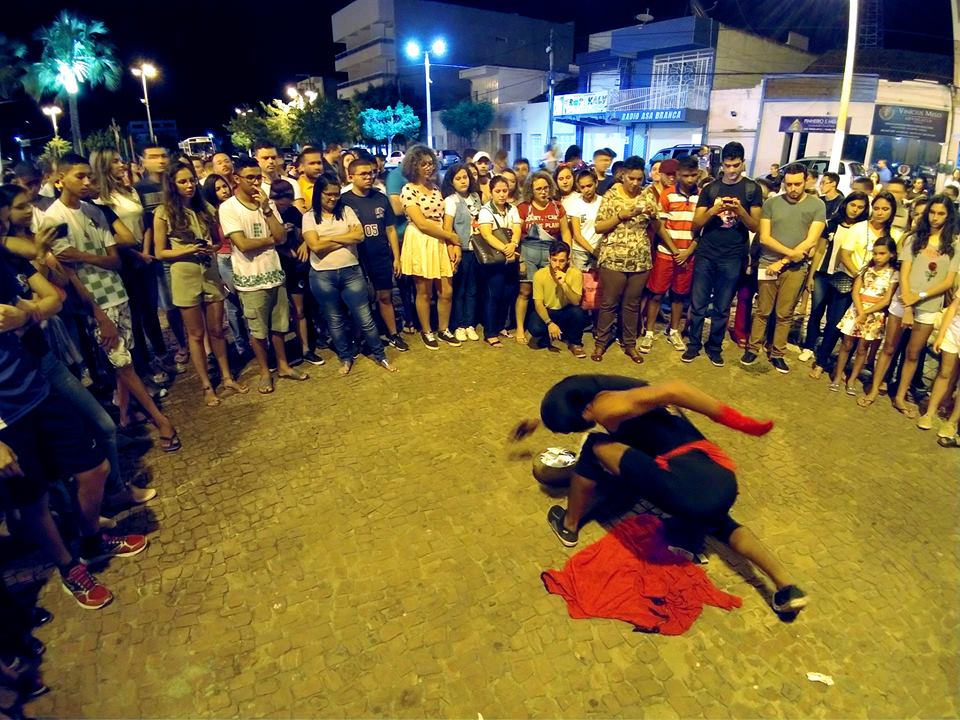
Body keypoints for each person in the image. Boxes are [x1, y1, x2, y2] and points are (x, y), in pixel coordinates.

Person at [512, 376, 808, 614]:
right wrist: (541, 421)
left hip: (681, 487)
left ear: (584, 409)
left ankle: (569, 525)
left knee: (593, 446)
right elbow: (577, 405)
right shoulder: (616, 388)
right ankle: (786, 586)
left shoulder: (606, 406)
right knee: (719, 521)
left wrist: (742, 423)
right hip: (718, 479)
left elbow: (676, 389)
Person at [0, 249, 149, 610]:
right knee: (35, 499)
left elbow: (50, 300)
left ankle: (91, 539)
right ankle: (70, 568)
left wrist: (27, 313)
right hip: (6, 418)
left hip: (36, 387)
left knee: (95, 468)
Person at [0, 185, 155, 508]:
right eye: (19, 207)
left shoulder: (22, 252)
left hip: (46, 354)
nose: (28, 212)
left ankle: (110, 493)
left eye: (28, 205)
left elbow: (55, 295)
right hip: (22, 371)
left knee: (101, 425)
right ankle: (88, 509)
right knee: (48, 464)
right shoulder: (10, 253)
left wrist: (27, 311)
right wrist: (37, 296)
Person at [44, 153, 181, 451]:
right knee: (123, 364)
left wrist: (83, 256)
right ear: (60, 179)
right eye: (79, 176)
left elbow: (115, 259)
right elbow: (71, 274)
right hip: (94, 302)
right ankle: (161, 422)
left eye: (89, 176)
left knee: (124, 359)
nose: (86, 182)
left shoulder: (93, 211)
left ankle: (125, 416)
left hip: (117, 292)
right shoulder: (53, 218)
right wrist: (98, 313)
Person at [154, 163, 248, 406]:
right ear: (172, 185)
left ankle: (227, 377)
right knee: (196, 335)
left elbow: (217, 241)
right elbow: (160, 252)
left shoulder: (205, 208)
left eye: (191, 180)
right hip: (184, 275)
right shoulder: (164, 212)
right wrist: (188, 250)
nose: (189, 186)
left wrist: (211, 248)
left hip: (209, 272)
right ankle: (206, 385)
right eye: (182, 182)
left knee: (217, 329)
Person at [860, 196, 959, 413]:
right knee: (888, 347)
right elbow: (904, 273)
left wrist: (919, 296)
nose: (935, 217)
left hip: (929, 305)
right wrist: (907, 303)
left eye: (941, 213)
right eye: (932, 212)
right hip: (902, 301)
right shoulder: (914, 239)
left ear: (949, 216)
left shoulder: (954, 245)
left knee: (913, 354)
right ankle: (874, 389)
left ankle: (900, 396)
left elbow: (947, 281)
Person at [218, 157, 308, 394]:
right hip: (250, 278)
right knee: (258, 331)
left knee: (279, 325)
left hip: (274, 273)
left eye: (258, 177)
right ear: (236, 179)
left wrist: (267, 210)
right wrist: (270, 240)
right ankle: (264, 371)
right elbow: (242, 244)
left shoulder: (266, 204)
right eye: (250, 178)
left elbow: (282, 236)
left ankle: (283, 365)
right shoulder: (228, 208)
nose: (256, 182)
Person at [302, 173, 396, 375]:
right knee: (335, 320)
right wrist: (344, 238)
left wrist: (328, 239)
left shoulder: (346, 211)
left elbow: (359, 236)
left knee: (365, 317)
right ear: (319, 193)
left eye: (336, 194)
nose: (333, 198)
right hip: (322, 275)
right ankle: (345, 357)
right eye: (328, 194)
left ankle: (380, 355)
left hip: (351, 271)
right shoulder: (309, 217)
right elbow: (315, 246)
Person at [90, 149, 168, 383]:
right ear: (104, 166)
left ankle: (161, 355)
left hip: (144, 255)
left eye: (120, 160)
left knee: (150, 311)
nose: (122, 164)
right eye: (115, 161)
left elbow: (144, 223)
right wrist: (135, 254)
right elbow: (109, 237)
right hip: (125, 261)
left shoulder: (130, 190)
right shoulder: (101, 199)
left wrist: (145, 251)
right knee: (134, 315)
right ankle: (143, 363)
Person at [741, 163, 826, 374]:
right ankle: (753, 347)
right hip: (768, 262)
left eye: (797, 184)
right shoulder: (772, 203)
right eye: (788, 184)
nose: (793, 188)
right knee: (762, 309)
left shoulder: (817, 205)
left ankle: (778, 353)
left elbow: (811, 240)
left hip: (794, 267)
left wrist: (783, 261)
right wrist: (790, 254)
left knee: (784, 313)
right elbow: (765, 237)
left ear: (806, 181)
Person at [684, 142, 763, 366]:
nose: (731, 170)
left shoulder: (752, 189)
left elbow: (755, 226)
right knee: (698, 304)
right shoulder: (711, 189)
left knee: (722, 306)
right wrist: (714, 210)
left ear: (743, 163)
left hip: (733, 255)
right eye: (727, 165)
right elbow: (696, 224)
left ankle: (715, 347)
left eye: (736, 165)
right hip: (707, 252)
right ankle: (693, 345)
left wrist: (740, 211)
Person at [591, 156, 660, 363]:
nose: (635, 183)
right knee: (609, 303)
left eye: (639, 179)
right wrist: (620, 216)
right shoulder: (611, 195)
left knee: (632, 304)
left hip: (640, 259)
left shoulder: (647, 195)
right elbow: (599, 227)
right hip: (613, 257)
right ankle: (601, 343)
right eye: (631, 178)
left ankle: (629, 344)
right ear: (623, 176)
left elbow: (657, 227)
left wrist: (653, 216)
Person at [398, 145, 462, 349]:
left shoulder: (435, 187)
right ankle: (427, 331)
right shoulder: (408, 190)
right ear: (413, 165)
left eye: (431, 163)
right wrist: (451, 237)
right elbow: (421, 223)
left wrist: (449, 241)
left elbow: (443, 217)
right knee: (423, 291)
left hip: (439, 238)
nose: (429, 167)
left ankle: (443, 329)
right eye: (424, 164)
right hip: (421, 239)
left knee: (446, 290)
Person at [340, 156, 407, 351]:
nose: (368, 177)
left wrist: (396, 258)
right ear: (351, 177)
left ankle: (393, 334)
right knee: (359, 301)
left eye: (371, 173)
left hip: (381, 257)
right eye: (363, 174)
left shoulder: (381, 198)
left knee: (385, 296)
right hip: (356, 259)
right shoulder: (344, 201)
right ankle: (358, 339)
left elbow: (390, 229)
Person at [802, 192, 871, 371]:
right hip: (823, 273)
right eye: (852, 205)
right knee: (816, 310)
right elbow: (820, 250)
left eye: (860, 207)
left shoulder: (863, 229)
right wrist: (811, 275)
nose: (855, 210)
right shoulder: (831, 224)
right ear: (845, 204)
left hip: (844, 277)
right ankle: (809, 345)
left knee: (834, 318)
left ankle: (824, 353)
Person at [135, 144, 188, 368]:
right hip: (159, 255)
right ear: (143, 161)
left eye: (164, 155)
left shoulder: (177, 182)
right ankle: (182, 344)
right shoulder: (139, 189)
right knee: (171, 305)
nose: (160, 160)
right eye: (154, 156)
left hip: (184, 247)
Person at [642, 155, 700, 354]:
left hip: (688, 255)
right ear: (678, 175)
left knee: (679, 295)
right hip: (666, 253)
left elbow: (702, 228)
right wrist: (675, 250)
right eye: (685, 175)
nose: (690, 179)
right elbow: (660, 226)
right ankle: (649, 332)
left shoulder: (702, 196)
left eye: (693, 175)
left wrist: (688, 251)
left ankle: (674, 331)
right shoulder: (667, 195)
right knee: (656, 293)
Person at [829, 237, 898, 395]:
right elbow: (855, 291)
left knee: (862, 348)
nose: (877, 257)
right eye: (875, 253)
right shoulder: (865, 269)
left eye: (882, 253)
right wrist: (860, 311)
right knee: (846, 344)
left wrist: (866, 313)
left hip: (874, 313)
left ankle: (852, 379)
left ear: (892, 254)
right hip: (857, 309)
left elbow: (886, 299)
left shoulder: (894, 274)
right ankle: (837, 376)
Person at [516, 171, 572, 345]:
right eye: (539, 189)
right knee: (525, 291)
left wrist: (567, 254)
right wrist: (520, 259)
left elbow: (565, 232)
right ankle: (520, 328)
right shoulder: (523, 208)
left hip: (551, 253)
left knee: (550, 292)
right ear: (531, 190)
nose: (543, 191)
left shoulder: (557, 207)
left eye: (546, 188)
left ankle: (547, 326)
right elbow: (516, 235)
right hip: (529, 252)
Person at [271, 179, 323, 365]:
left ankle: (305, 348)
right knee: (277, 314)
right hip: (275, 267)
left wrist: (304, 244)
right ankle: (277, 355)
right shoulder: (269, 214)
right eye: (279, 198)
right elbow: (270, 241)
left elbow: (307, 232)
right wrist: (285, 251)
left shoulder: (293, 212)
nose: (283, 202)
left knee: (300, 310)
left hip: (295, 268)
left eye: (287, 197)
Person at [201, 174, 249, 361]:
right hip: (225, 258)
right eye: (218, 189)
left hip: (242, 255)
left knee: (247, 299)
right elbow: (213, 241)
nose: (223, 191)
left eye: (224, 186)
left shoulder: (237, 207)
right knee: (233, 303)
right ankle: (241, 344)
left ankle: (257, 339)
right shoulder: (212, 214)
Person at [476, 176, 521, 347]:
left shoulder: (512, 209)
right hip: (495, 259)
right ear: (491, 192)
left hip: (510, 256)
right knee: (493, 295)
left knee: (507, 293)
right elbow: (486, 235)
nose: (502, 194)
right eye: (498, 191)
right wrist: (505, 249)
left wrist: (513, 244)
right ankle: (490, 332)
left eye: (504, 191)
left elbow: (517, 228)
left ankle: (500, 326)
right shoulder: (486, 211)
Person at [440, 163, 482, 342]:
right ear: (451, 182)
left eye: (465, 177)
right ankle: (458, 325)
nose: (463, 181)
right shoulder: (451, 200)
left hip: (477, 251)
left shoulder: (476, 196)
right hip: (461, 250)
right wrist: (452, 247)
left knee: (473, 289)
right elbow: (447, 228)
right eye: (458, 178)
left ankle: (470, 324)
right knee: (459, 289)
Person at [526, 241, 587, 356]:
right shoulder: (540, 274)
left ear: (568, 260)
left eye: (562, 261)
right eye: (554, 260)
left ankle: (575, 342)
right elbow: (538, 304)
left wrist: (564, 284)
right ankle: (547, 335)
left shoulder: (575, 273)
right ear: (549, 258)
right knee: (535, 327)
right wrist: (549, 323)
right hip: (548, 310)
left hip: (566, 310)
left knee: (579, 313)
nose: (557, 264)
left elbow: (576, 302)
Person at [922, 293, 960, 441]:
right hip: (954, 331)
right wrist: (941, 334)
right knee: (944, 373)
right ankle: (929, 413)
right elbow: (953, 307)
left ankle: (952, 422)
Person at [564, 171, 602, 272]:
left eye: (589, 186)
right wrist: (593, 251)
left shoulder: (603, 201)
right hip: (580, 252)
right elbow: (576, 234)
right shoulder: (575, 203)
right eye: (583, 187)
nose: (586, 190)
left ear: (596, 183)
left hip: (599, 249)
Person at [255, 142, 305, 213]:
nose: (270, 161)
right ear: (256, 160)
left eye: (273, 158)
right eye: (265, 158)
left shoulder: (292, 183)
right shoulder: (256, 187)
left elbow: (300, 211)